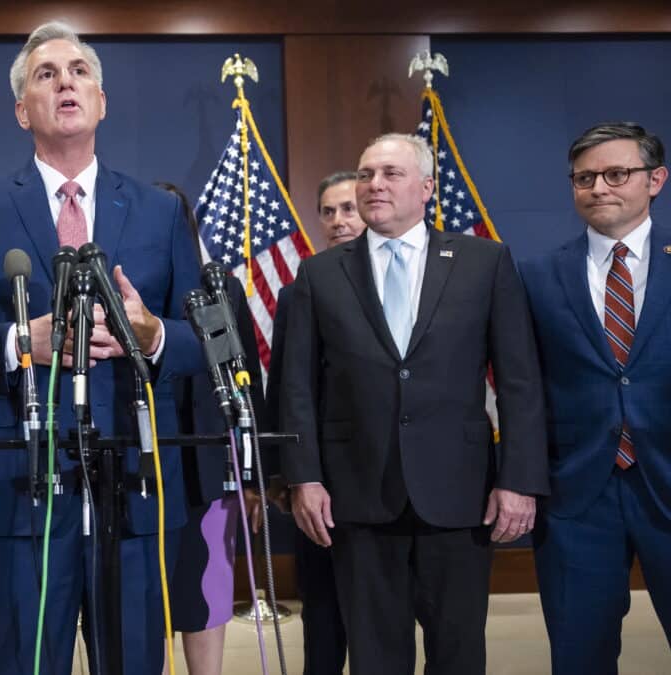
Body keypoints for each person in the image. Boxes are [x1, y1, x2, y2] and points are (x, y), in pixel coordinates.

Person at [0, 21, 204, 674]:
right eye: (45, 74)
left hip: (134, 486)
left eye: (78, 72)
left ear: (100, 101)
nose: (64, 81)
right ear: (22, 111)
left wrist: (151, 335)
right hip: (19, 493)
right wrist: (20, 341)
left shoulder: (158, 212)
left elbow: (206, 345)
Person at [280, 133, 549, 675]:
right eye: (365, 174)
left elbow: (520, 381)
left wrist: (520, 480)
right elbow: (296, 388)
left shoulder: (484, 261)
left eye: (390, 174)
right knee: (376, 656)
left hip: (460, 497)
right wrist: (302, 477)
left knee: (459, 652)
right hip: (357, 497)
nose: (373, 184)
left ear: (427, 187)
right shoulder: (319, 274)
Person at [518, 122, 671, 675]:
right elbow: (524, 389)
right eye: (584, 178)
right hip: (577, 497)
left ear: (655, 179)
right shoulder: (537, 276)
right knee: (580, 656)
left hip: (669, 484)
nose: (599, 187)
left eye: (615, 174)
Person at [160, 182, 268, 675]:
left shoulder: (219, 285)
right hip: (141, 465)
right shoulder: (114, 283)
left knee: (205, 593)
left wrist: (252, 476)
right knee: (147, 602)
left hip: (209, 467)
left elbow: (247, 387)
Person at [268, 171, 367, 675]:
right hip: (320, 481)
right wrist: (281, 472)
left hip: (389, 480)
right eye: (328, 211)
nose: (337, 221)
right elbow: (285, 387)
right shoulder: (297, 290)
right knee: (323, 616)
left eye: (348, 208)